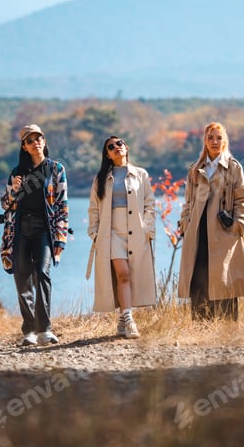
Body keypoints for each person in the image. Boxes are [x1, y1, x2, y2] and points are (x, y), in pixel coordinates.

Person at [178, 121, 244, 321]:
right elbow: (187, 202)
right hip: (198, 231)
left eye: (219, 138)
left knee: (224, 277)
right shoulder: (195, 169)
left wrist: (238, 224)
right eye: (210, 137)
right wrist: (186, 225)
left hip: (224, 230)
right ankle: (201, 324)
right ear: (204, 141)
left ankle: (227, 326)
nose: (214, 141)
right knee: (198, 275)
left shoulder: (233, 167)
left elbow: (242, 199)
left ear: (225, 141)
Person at [0, 124, 68, 346]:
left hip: (45, 230)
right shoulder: (17, 172)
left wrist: (61, 238)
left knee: (42, 273)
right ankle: (29, 330)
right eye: (30, 140)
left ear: (44, 142)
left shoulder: (56, 169)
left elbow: (62, 205)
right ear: (24, 146)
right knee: (22, 277)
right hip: (20, 230)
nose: (36, 142)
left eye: (39, 138)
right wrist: (13, 190)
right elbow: (5, 204)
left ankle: (45, 329)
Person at [87, 136, 156, 339]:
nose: (116, 147)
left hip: (136, 231)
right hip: (111, 233)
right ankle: (129, 320)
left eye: (119, 144)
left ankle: (122, 318)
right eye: (110, 146)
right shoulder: (100, 178)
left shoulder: (141, 175)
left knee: (131, 275)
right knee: (123, 274)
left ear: (126, 147)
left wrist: (148, 229)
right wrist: (95, 233)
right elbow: (93, 209)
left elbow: (149, 204)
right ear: (107, 154)